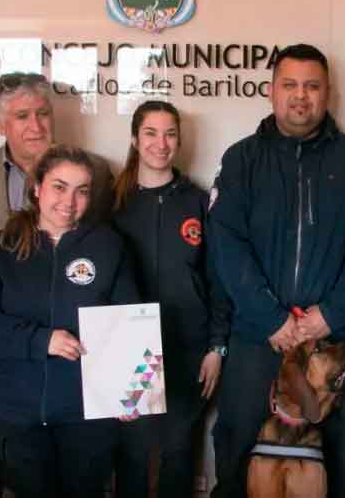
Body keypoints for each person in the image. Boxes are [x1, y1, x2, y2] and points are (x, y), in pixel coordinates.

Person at [208, 44, 345, 498]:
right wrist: (273, 319)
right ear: (271, 91)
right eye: (289, 85)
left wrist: (330, 313)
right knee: (236, 452)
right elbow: (227, 243)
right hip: (259, 336)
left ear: (328, 93)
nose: (300, 96)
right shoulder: (242, 159)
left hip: (334, 338)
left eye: (312, 86)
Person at [0, 72, 113, 497]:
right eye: (21, 116)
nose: (35, 125)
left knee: (75, 460)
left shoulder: (95, 172)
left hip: (74, 355)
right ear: (1, 124)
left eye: (42, 113)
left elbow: (106, 254)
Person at [0, 144, 138, 498]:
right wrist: (41, 341)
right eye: (59, 186)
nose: (69, 201)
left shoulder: (109, 246)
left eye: (82, 191)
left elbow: (129, 320)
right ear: (37, 188)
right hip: (19, 412)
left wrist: (131, 391)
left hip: (87, 415)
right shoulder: (2, 245)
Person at [111, 100, 231, 498]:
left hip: (188, 347)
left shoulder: (199, 201)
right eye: (150, 133)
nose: (161, 144)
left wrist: (216, 346)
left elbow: (218, 279)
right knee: (132, 454)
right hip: (131, 352)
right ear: (134, 138)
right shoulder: (113, 202)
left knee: (179, 453)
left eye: (170, 133)